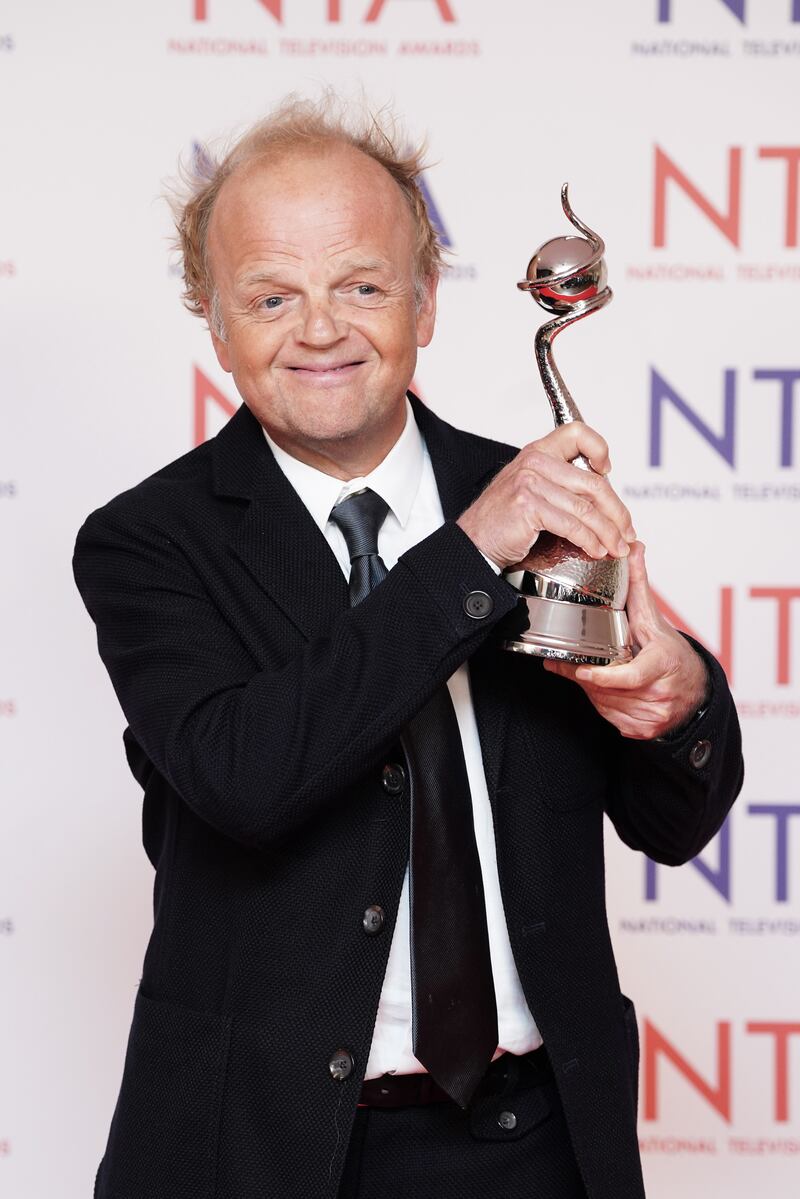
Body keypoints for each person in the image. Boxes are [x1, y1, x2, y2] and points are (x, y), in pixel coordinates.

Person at [73, 96, 743, 1199]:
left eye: (362, 285)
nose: (321, 328)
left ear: (425, 301)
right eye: (271, 295)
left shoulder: (542, 501)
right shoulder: (149, 542)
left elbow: (669, 825)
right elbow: (245, 775)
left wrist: (673, 702)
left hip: (533, 1146)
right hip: (255, 1146)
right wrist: (472, 547)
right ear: (214, 321)